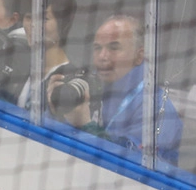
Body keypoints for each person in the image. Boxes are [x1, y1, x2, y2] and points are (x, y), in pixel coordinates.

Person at [51, 13, 183, 167]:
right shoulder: (92, 86)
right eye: (97, 48)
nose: (103, 56)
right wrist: (56, 112)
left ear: (139, 56)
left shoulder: (158, 110)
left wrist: (85, 125)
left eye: (114, 48)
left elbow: (133, 170)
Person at [17, 0, 78, 112]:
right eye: (29, 17)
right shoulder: (18, 70)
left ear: (64, 24)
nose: (33, 24)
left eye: (43, 18)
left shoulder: (70, 80)